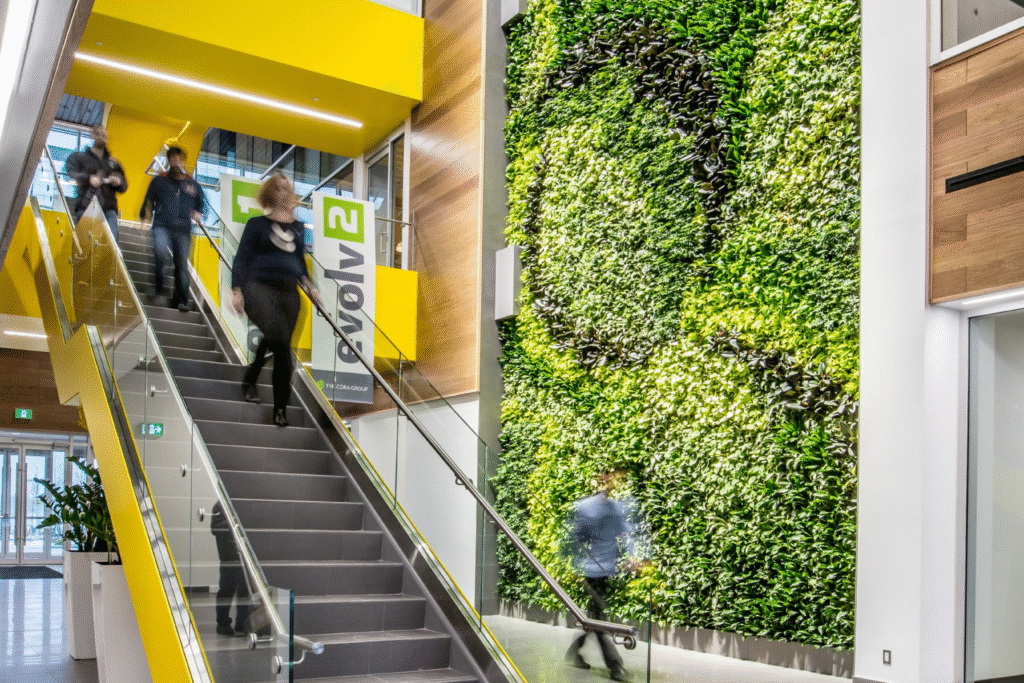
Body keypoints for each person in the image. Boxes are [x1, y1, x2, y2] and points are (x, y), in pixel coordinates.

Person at [231, 173, 321, 427]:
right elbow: (242, 258)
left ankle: (250, 379)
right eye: (278, 187)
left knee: (277, 340)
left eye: (286, 187)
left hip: (289, 294)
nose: (283, 192)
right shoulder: (256, 224)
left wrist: (309, 286)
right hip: (257, 288)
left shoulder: (297, 227)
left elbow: (299, 262)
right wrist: (236, 290)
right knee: (283, 348)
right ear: (270, 193)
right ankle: (280, 408)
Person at [563, 470, 646, 682]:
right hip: (591, 571)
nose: (615, 480)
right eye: (611, 476)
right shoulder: (587, 506)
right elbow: (576, 538)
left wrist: (632, 558)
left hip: (607, 571)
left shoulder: (617, 508)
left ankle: (574, 653)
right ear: (603, 479)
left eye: (618, 477)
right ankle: (616, 666)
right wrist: (572, 564)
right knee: (600, 622)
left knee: (593, 619)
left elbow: (626, 534)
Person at [139, 146, 205, 312]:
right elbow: (148, 201)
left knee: (181, 264)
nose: (176, 162)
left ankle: (180, 301)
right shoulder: (158, 181)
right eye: (172, 158)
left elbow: (201, 207)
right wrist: (144, 219)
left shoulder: (193, 185)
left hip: (183, 229)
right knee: (160, 252)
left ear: (184, 161)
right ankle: (158, 284)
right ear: (168, 161)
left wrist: (198, 215)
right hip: (161, 225)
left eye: (179, 158)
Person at [64, 125, 127, 239]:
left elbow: (124, 186)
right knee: (86, 241)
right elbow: (71, 172)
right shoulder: (79, 157)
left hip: (108, 208)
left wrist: (119, 182)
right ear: (92, 135)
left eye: (104, 135)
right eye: (98, 134)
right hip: (86, 205)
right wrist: (89, 178)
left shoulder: (114, 163)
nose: (101, 137)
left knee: (112, 239)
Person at [210, 501, 251, 637]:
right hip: (229, 557)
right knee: (227, 590)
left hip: (244, 556)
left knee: (244, 591)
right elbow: (215, 528)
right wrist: (233, 522)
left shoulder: (241, 502)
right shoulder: (220, 505)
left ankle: (242, 624)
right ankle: (222, 623)